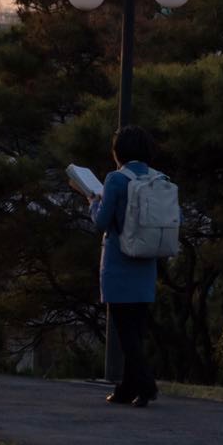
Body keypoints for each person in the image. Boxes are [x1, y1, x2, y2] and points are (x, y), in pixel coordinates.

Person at [88, 125, 160, 407]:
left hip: (119, 262)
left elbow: (102, 222)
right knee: (135, 331)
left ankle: (146, 385)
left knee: (125, 332)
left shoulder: (116, 180)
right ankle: (128, 390)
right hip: (146, 263)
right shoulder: (158, 178)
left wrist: (93, 202)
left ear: (118, 152)